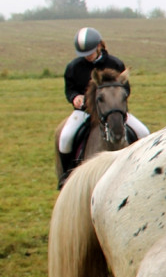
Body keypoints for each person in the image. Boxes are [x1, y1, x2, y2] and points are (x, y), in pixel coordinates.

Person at [57, 27, 150, 183]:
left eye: (90, 52)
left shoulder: (115, 63)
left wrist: (116, 102)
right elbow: (70, 89)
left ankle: (144, 171)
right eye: (83, 54)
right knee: (65, 137)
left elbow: (125, 88)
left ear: (99, 46)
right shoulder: (74, 67)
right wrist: (75, 97)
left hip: (113, 111)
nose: (87, 56)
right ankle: (67, 176)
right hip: (84, 112)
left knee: (144, 132)